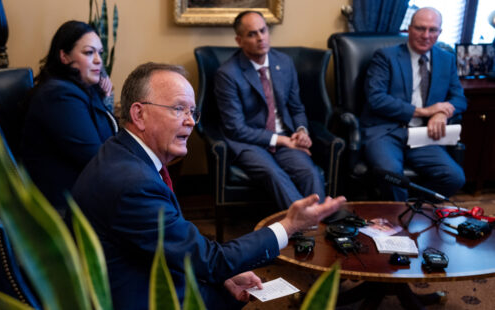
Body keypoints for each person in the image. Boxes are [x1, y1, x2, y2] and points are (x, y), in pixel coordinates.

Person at [71, 62, 346, 310]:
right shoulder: (134, 183)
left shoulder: (121, 152)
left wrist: (220, 273)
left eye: (193, 111)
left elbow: (176, 246)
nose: (191, 121)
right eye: (178, 109)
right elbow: (209, 261)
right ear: (139, 114)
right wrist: (289, 225)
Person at [214, 11, 325, 210]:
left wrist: (301, 131)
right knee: (273, 173)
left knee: (309, 172)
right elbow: (235, 128)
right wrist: (282, 140)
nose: (260, 38)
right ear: (239, 40)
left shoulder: (284, 62)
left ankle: (318, 225)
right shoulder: (227, 74)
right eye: (252, 34)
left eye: (263, 30)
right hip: (247, 142)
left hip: (286, 138)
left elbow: (296, 107)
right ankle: (303, 227)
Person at [361, 7, 466, 201]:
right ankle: (399, 223)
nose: (426, 35)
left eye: (433, 30)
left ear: (440, 32)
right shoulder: (385, 57)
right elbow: (376, 98)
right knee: (390, 174)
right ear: (409, 29)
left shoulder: (447, 60)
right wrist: (426, 111)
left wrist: (441, 114)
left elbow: (459, 98)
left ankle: (411, 210)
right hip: (386, 132)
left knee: (454, 177)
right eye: (420, 28)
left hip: (424, 136)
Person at [21, 20, 118, 216]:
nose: (99, 60)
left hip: (85, 194)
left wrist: (104, 98)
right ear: (64, 56)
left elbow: (108, 137)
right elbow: (96, 157)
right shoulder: (59, 96)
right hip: (64, 209)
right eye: (89, 53)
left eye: (100, 52)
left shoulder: (82, 90)